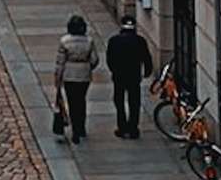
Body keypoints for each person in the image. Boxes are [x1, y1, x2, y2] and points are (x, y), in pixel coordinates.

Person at [106, 11, 154, 140]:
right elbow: (146, 58)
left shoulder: (114, 41)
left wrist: (114, 70)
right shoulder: (140, 41)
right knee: (134, 102)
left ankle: (122, 127)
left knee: (119, 101)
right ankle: (133, 128)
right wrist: (147, 71)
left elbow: (109, 59)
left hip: (119, 76)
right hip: (134, 76)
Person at [54, 14, 100, 144]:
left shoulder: (64, 41)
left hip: (69, 74)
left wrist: (58, 77)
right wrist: (88, 67)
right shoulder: (89, 41)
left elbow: (60, 62)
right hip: (84, 75)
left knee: (72, 102)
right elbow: (95, 60)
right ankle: (81, 127)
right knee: (81, 101)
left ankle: (75, 128)